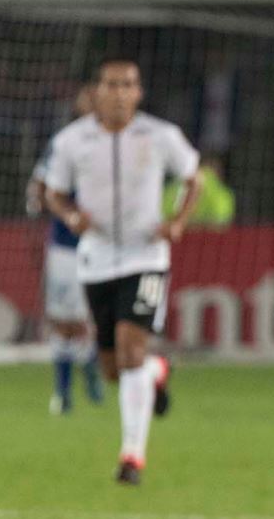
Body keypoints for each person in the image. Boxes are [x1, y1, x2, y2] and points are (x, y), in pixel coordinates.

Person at [43, 57, 200, 486]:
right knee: (115, 368)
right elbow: (53, 192)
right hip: (95, 258)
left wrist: (179, 221)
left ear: (138, 91)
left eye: (127, 84)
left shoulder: (160, 135)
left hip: (146, 256)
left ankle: (132, 457)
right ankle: (156, 372)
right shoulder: (73, 140)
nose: (119, 92)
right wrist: (71, 215)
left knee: (131, 351)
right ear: (97, 91)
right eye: (111, 84)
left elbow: (193, 177)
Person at [25, 83, 102, 414]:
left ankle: (91, 366)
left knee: (101, 318)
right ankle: (63, 390)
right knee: (63, 320)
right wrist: (37, 200)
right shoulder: (64, 141)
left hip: (108, 244)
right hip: (66, 245)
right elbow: (40, 184)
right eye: (89, 95)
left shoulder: (123, 141)